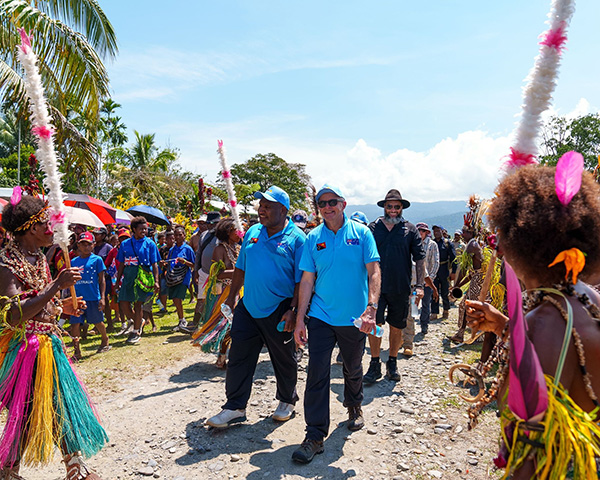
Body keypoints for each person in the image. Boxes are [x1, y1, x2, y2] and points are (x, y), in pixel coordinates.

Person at [463, 163, 600, 478]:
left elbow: (532, 450)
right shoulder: (588, 299)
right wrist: (503, 327)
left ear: (518, 244)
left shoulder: (544, 321)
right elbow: (568, 364)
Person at [0, 194, 107, 479]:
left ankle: (74, 467)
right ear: (32, 227)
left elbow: (44, 307)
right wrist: (56, 285)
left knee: (62, 404)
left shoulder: (39, 259)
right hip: (25, 350)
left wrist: (65, 306)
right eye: (47, 223)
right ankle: (8, 471)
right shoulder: (6, 263)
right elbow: (14, 314)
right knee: (25, 413)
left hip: (50, 346)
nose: (52, 228)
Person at [291, 184, 380, 464]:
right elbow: (307, 280)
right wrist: (299, 320)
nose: (327, 207)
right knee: (316, 373)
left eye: (332, 202)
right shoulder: (312, 238)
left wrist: (372, 309)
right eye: (322, 203)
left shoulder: (362, 233)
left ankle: (354, 405)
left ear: (343, 203)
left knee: (352, 367)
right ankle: (315, 436)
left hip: (354, 319)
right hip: (320, 316)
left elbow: (374, 271)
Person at [206, 186, 305, 428]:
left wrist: (293, 309)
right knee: (239, 356)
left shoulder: (297, 239)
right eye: (261, 206)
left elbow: (302, 279)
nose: (261, 210)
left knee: (283, 357)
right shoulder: (252, 232)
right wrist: (231, 298)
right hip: (248, 305)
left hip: (280, 307)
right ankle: (235, 407)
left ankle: (286, 400)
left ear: (283, 210)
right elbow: (241, 267)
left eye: (267, 206)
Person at [364, 189, 425, 384]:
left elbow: (420, 259)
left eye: (396, 207)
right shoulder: (373, 228)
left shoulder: (410, 229)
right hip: (376, 288)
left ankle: (392, 361)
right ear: (384, 207)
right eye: (389, 206)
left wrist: (420, 285)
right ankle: (374, 363)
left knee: (397, 326)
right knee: (375, 325)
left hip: (400, 286)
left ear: (401, 208)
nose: (392, 210)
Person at [191, 218, 241, 368]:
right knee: (226, 325)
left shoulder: (238, 248)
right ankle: (222, 356)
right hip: (224, 294)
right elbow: (217, 274)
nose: (240, 233)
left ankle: (231, 355)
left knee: (237, 325)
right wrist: (238, 273)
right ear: (228, 232)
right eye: (236, 230)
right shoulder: (219, 249)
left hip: (239, 291)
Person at [116, 216, 160, 345]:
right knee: (123, 303)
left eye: (145, 229)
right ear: (134, 229)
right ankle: (138, 320)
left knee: (138, 303)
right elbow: (121, 264)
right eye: (141, 229)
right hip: (128, 276)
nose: (144, 231)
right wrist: (118, 280)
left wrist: (156, 281)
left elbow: (155, 264)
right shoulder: (125, 244)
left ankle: (135, 331)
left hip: (142, 276)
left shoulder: (150, 243)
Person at [70, 232, 110, 360]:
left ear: (93, 245)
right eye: (83, 244)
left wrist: (102, 298)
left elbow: (102, 280)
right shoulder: (73, 262)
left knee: (97, 322)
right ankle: (76, 350)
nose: (86, 247)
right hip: (78, 299)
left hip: (93, 297)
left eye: (88, 244)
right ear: (78, 246)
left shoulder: (97, 260)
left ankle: (105, 339)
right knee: (75, 324)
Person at [449, 223, 484, 343]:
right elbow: (471, 273)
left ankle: (470, 334)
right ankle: (465, 333)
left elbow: (464, 269)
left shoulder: (472, 245)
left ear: (471, 233)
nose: (463, 234)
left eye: (465, 232)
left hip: (479, 281)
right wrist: (458, 285)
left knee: (468, 306)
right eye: (463, 231)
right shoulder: (473, 244)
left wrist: (456, 285)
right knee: (465, 305)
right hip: (477, 279)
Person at [166, 225, 196, 331]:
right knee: (175, 299)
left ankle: (182, 320)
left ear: (184, 236)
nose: (177, 237)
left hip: (183, 277)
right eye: (176, 235)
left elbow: (194, 264)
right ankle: (181, 319)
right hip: (173, 277)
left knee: (178, 298)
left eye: (180, 235)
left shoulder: (188, 249)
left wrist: (185, 262)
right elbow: (170, 262)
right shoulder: (172, 250)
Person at [415, 223, 439, 334]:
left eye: (423, 231)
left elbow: (435, 263)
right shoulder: (413, 243)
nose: (421, 232)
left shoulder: (432, 245)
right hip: (414, 279)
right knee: (413, 303)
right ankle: (409, 327)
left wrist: (431, 279)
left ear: (426, 232)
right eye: (419, 230)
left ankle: (424, 325)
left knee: (425, 304)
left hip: (427, 280)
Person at [430, 225, 456, 321]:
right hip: (434, 270)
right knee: (434, 291)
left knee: (445, 292)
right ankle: (434, 312)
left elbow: (454, 258)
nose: (436, 233)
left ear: (442, 231)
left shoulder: (447, 243)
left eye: (438, 231)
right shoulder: (431, 243)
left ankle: (446, 310)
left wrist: (453, 272)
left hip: (444, 269)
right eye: (434, 231)